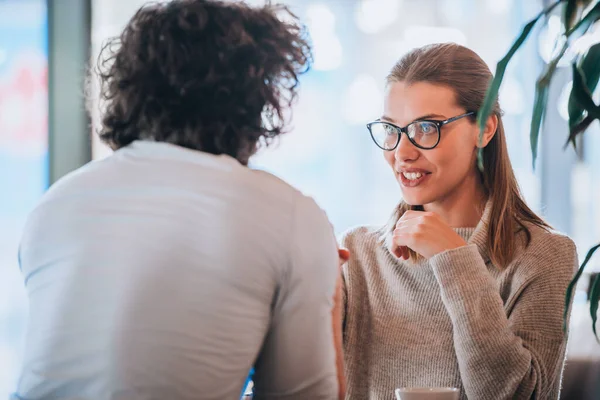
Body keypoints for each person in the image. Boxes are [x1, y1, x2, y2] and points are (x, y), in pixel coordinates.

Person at [14, 1, 345, 399]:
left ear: (126, 90)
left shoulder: (56, 204)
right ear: (255, 102)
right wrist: (325, 283)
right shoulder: (289, 214)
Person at [340, 43, 578, 400]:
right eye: (391, 129)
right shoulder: (358, 254)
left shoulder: (544, 255)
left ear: (484, 129)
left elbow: (518, 396)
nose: (401, 153)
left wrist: (453, 257)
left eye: (426, 127)